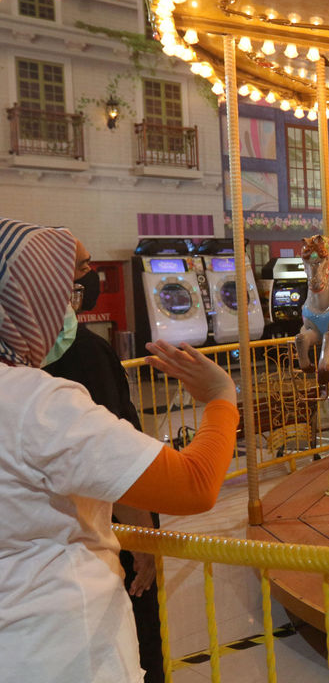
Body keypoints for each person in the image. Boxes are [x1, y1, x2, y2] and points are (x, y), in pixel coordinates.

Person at [0, 218, 239, 682]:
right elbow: (193, 484)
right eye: (60, 295)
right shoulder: (34, 402)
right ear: (27, 302)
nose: (66, 310)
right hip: (60, 645)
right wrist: (220, 399)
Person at [43, 249, 165, 683]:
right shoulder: (84, 354)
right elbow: (118, 459)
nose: (89, 276)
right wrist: (222, 402)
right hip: (104, 532)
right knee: (137, 635)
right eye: (80, 268)